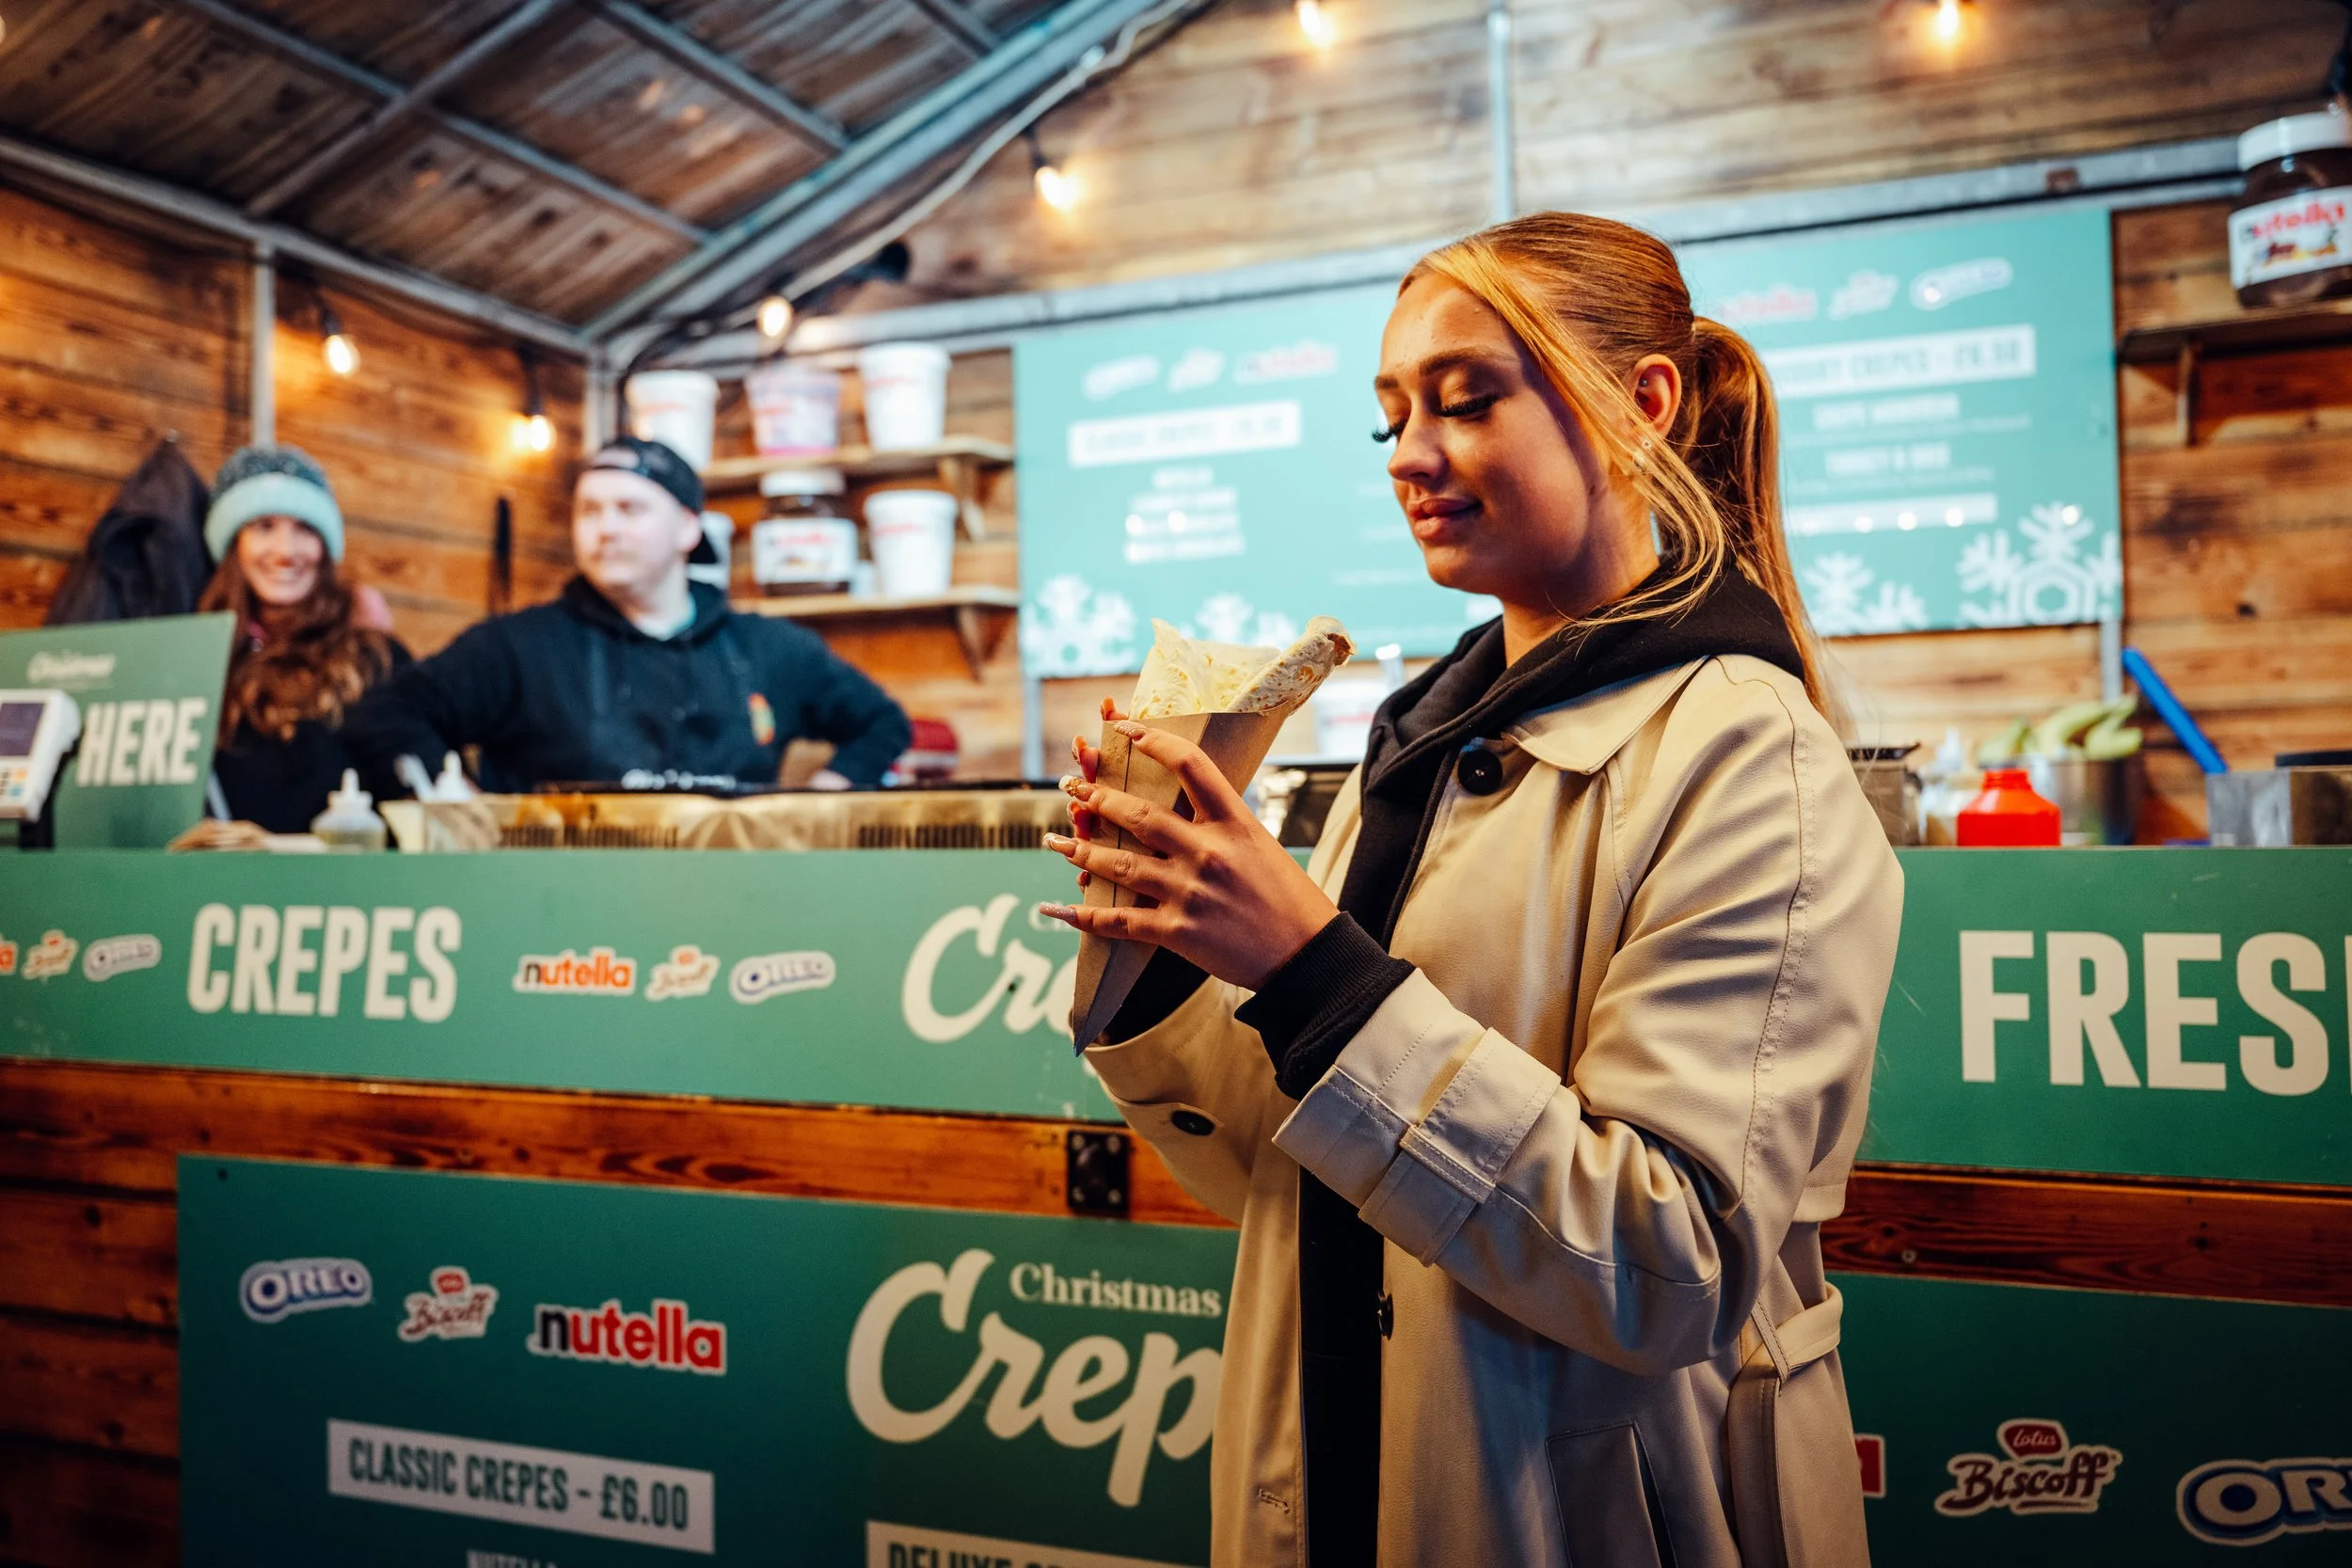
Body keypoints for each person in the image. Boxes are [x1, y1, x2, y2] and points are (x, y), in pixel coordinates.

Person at [1041, 213, 1903, 1567]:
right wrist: (1164, 938)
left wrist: (1315, 973)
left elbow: (1666, 1262)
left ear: (1642, 405)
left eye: (1467, 399)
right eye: (1391, 418)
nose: (1414, 457)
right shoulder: (1424, 742)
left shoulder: (1748, 752)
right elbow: (1288, 1156)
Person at [343, 436, 910, 794]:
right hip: (555, 916)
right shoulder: (518, 648)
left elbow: (884, 722)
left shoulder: (770, 649)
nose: (606, 528)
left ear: (689, 528)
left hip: (735, 907)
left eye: (629, 509)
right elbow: (387, 716)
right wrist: (457, 803)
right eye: (590, 511)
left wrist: (828, 793)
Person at [198, 444, 408, 832]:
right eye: (264, 527)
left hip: (345, 888)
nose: (285, 551)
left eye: (304, 528)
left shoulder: (373, 658)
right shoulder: (199, 661)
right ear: (232, 546)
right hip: (221, 888)